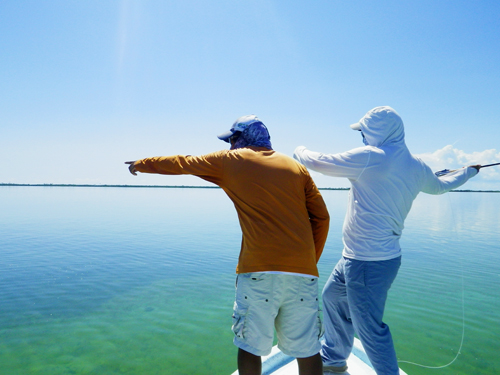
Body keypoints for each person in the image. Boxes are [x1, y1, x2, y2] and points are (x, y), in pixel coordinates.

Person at [126, 115, 330, 375]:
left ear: (243, 138)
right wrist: (308, 261)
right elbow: (322, 218)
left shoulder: (231, 160)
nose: (230, 144)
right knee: (308, 348)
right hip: (303, 273)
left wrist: (142, 164)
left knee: (250, 347)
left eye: (232, 138)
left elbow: (183, 163)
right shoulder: (296, 168)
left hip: (258, 271)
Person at [293, 106, 479, 375]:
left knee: (370, 329)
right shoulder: (416, 165)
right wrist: (469, 172)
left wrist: (299, 149)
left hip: (368, 263)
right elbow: (441, 186)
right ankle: (333, 358)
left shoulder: (371, 157)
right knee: (332, 296)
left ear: (377, 132)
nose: (362, 138)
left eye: (364, 132)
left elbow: (318, 162)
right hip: (359, 257)